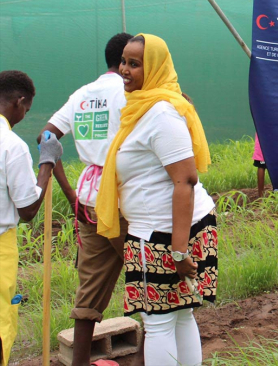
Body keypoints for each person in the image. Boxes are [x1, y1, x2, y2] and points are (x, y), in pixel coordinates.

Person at [95, 34, 217, 366]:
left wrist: (178, 251)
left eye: (135, 64)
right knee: (181, 315)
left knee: (159, 323)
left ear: (155, 68)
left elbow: (186, 180)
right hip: (170, 229)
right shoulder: (144, 107)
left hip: (162, 234)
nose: (125, 69)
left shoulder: (160, 113)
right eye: (123, 61)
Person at [37, 32, 131, 366]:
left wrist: (69, 192)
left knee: (90, 286)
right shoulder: (129, 92)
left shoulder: (83, 94)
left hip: (89, 199)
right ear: (126, 60)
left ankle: (78, 362)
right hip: (124, 198)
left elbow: (46, 136)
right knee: (148, 275)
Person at [0, 70, 63, 366]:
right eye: (26, 109)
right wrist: (47, 162)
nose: (24, 115)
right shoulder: (10, 145)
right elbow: (28, 209)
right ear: (19, 101)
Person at [253, 133, 266, 198]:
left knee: (261, 166)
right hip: (274, 138)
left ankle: (261, 196)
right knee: (277, 166)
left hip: (261, 138)